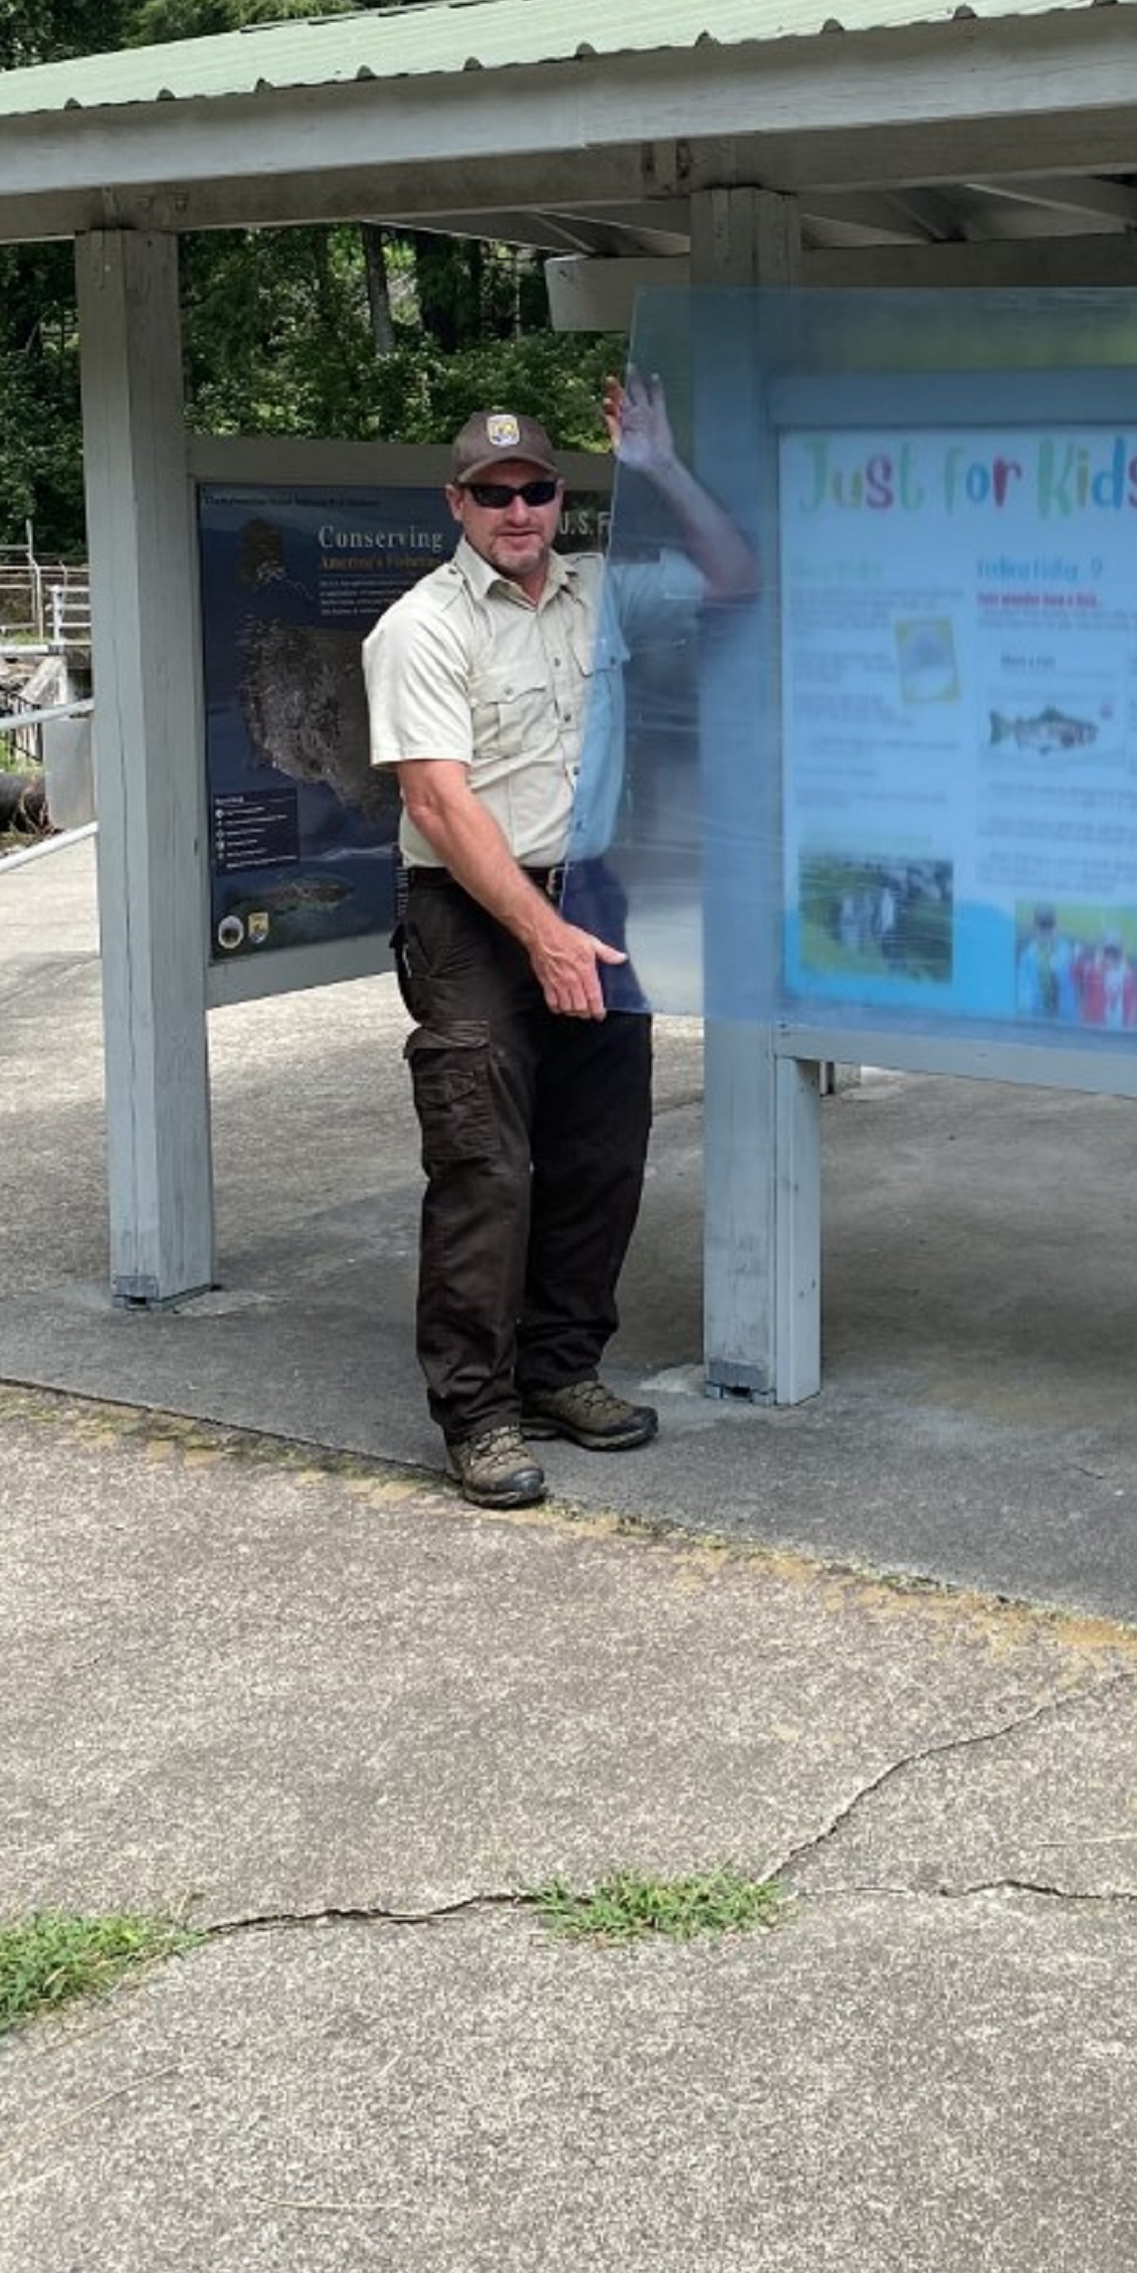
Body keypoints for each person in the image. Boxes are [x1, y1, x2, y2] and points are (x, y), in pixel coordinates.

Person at [362, 380, 757, 1509]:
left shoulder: (602, 593)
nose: (517, 511)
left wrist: (662, 466)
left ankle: (559, 1368)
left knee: (601, 1151)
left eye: (535, 489)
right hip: (471, 916)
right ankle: (478, 1415)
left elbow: (735, 576)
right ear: (456, 503)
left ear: (558, 497)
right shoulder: (421, 628)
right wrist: (542, 935)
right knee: (484, 1169)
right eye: (492, 494)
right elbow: (438, 803)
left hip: (593, 894)